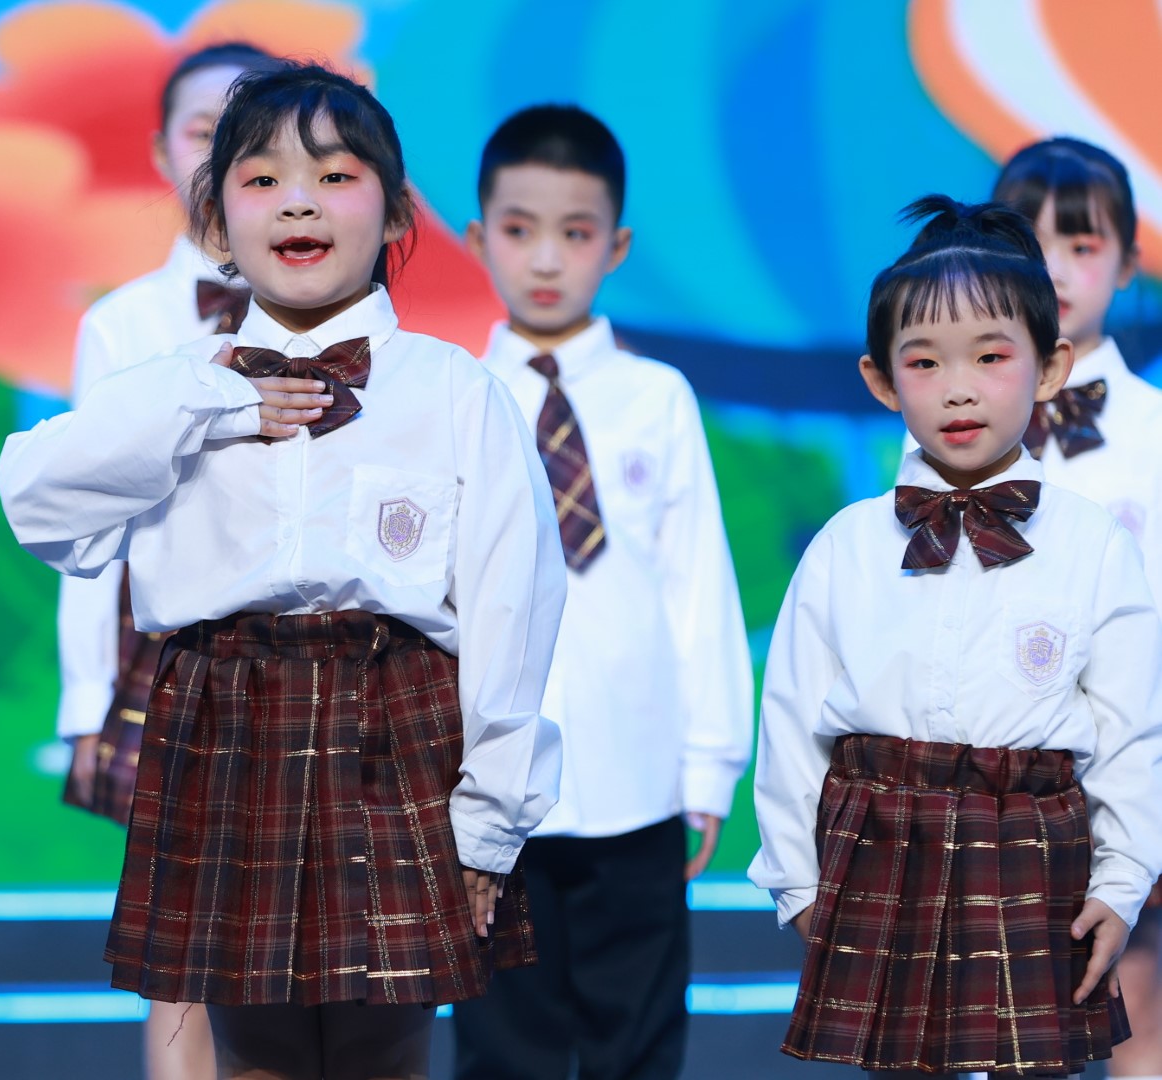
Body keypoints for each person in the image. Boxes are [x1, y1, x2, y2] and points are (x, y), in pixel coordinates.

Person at [0, 62, 564, 1079]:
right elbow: (38, 500)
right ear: (215, 223)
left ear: (396, 212)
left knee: (385, 1049)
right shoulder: (175, 391)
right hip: (227, 727)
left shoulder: (452, 390)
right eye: (261, 180)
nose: (298, 201)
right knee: (251, 1054)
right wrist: (210, 405)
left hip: (395, 732)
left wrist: (489, 822)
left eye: (336, 176)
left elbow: (511, 609)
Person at [749, 195, 1162, 1078]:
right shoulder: (846, 546)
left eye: (991, 356)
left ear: (1049, 368)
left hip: (1034, 855)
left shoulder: (1094, 544)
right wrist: (796, 883)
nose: (960, 387)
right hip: (879, 848)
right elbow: (788, 725)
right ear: (881, 380)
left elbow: (1131, 730)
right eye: (926, 361)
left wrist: (1123, 881)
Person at [451, 104, 751, 1080]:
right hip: (494, 789)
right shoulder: (454, 399)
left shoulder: (657, 397)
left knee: (638, 1042)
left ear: (616, 247)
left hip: (636, 781)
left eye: (575, 234)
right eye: (519, 229)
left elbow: (697, 584)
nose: (546, 259)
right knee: (505, 1047)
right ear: (478, 239)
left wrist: (709, 767)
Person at [54, 41, 283, 1080]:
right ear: (160, 153)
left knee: (306, 945)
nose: (221, 158)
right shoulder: (124, 326)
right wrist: (85, 699)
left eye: (249, 139)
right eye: (204, 133)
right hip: (170, 664)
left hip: (310, 657)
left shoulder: (341, 319)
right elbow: (88, 527)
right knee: (179, 948)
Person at [990, 138, 1162, 1080]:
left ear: (1128, 262)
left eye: (1082, 245)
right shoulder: (957, 418)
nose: (1053, 268)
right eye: (1031, 241)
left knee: (1135, 993)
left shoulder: (1154, 432)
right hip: (994, 769)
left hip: (1127, 761)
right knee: (999, 1013)